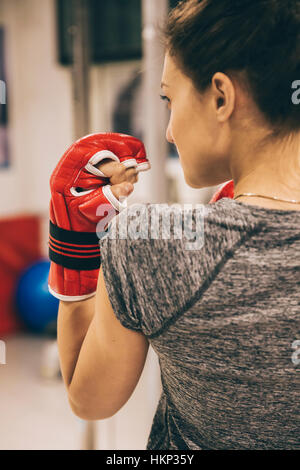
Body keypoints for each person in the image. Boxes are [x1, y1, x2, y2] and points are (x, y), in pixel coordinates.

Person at [51, 0, 300, 450]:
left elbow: (88, 400)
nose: (169, 131)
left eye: (169, 98)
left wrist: (72, 241)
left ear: (221, 97)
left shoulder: (147, 242)